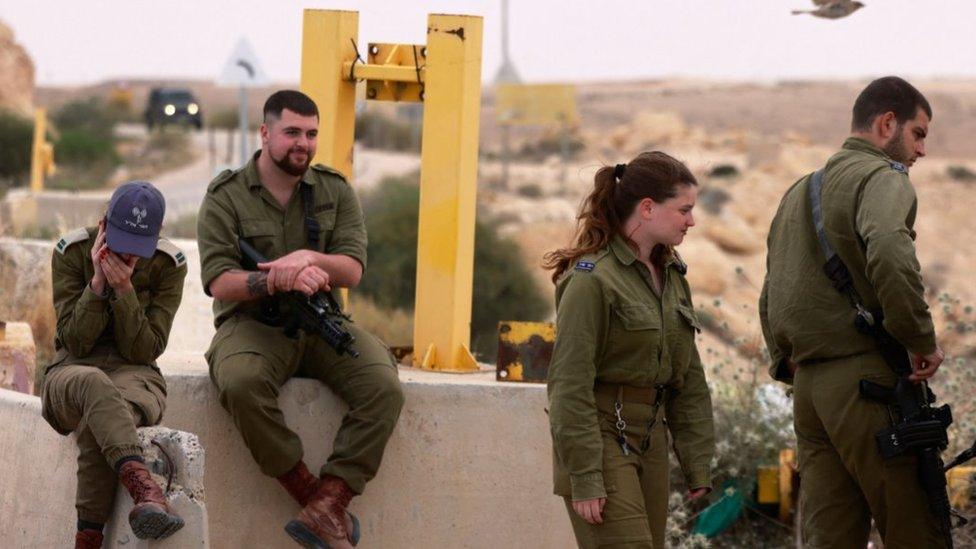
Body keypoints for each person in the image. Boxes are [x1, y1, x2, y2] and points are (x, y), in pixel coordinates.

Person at [197, 89, 404, 548]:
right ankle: (311, 496)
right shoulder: (226, 196)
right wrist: (275, 281)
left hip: (323, 321)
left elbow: (351, 269)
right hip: (254, 325)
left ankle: (334, 497)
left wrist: (309, 258)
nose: (303, 144)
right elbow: (218, 281)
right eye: (292, 132)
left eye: (311, 134)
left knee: (383, 385)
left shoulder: (334, 189)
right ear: (266, 132)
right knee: (240, 382)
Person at [760, 76, 946, 547]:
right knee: (915, 527)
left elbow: (772, 290)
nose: (921, 150)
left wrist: (789, 364)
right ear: (888, 123)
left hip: (810, 392)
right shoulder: (882, 178)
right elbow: (888, 249)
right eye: (919, 134)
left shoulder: (799, 191)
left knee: (830, 536)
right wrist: (920, 340)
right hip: (867, 386)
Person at [543, 152, 715, 549]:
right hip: (602, 437)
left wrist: (697, 462)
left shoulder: (671, 275)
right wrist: (585, 476)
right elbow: (568, 384)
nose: (692, 221)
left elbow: (688, 377)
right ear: (648, 208)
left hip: (652, 440)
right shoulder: (592, 279)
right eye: (684, 210)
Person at [41, 181, 188, 548]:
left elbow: (145, 350)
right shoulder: (70, 252)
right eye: (119, 245)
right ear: (103, 224)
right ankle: (146, 491)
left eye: (138, 249)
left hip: (135, 376)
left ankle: (87, 539)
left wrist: (126, 293)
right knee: (94, 384)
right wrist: (97, 285)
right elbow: (73, 342)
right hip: (70, 373)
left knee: (104, 412)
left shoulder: (168, 265)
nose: (126, 258)